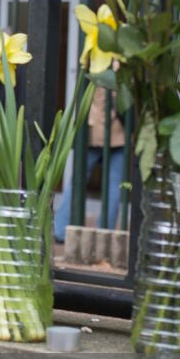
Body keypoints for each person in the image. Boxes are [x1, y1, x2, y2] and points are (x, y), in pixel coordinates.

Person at [53, 85, 128, 243]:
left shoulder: (99, 63)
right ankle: (104, 235)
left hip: (95, 132)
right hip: (120, 132)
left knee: (78, 181)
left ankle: (61, 229)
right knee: (114, 185)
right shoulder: (123, 63)